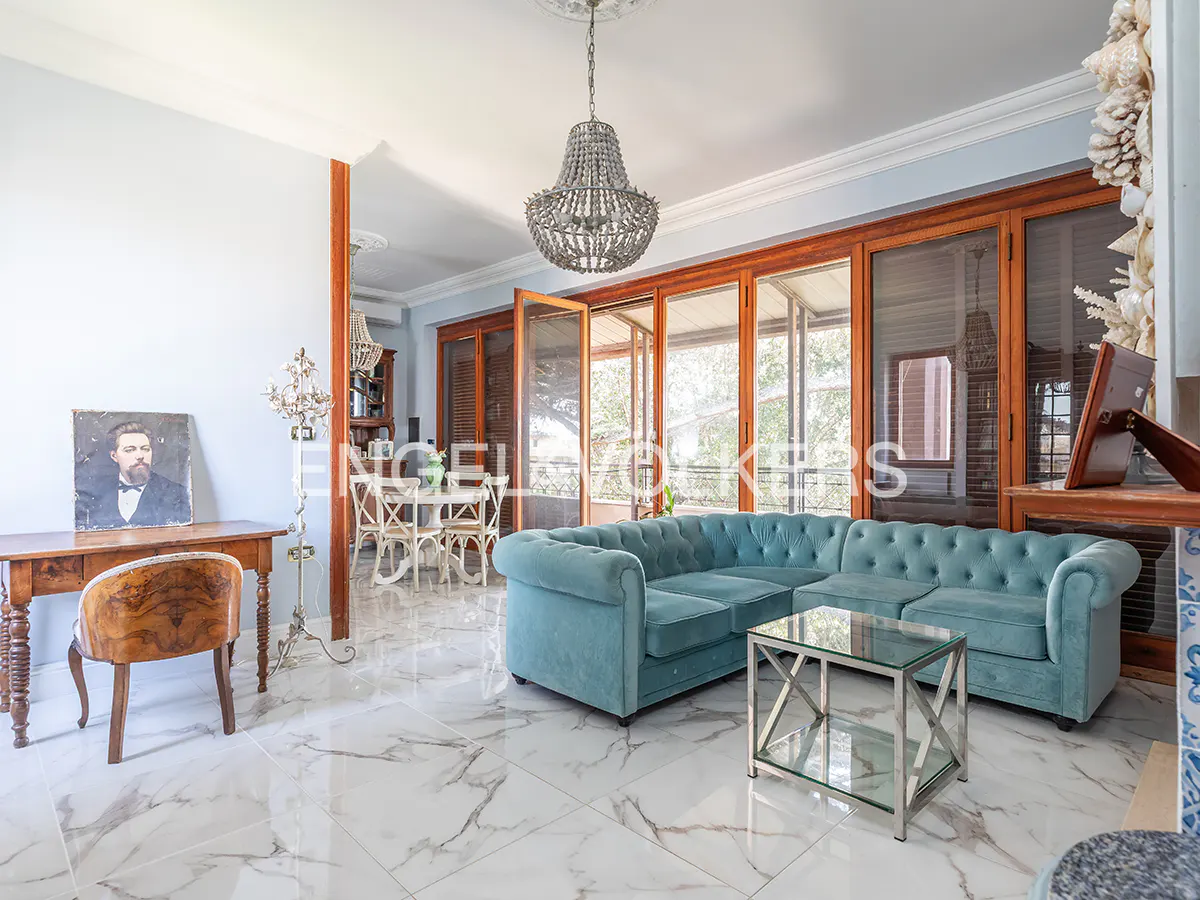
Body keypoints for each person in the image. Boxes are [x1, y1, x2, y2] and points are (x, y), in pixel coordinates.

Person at [76, 421, 191, 529]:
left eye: (145, 449)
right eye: (130, 450)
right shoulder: (94, 492)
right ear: (114, 456)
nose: (140, 455)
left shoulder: (176, 495)